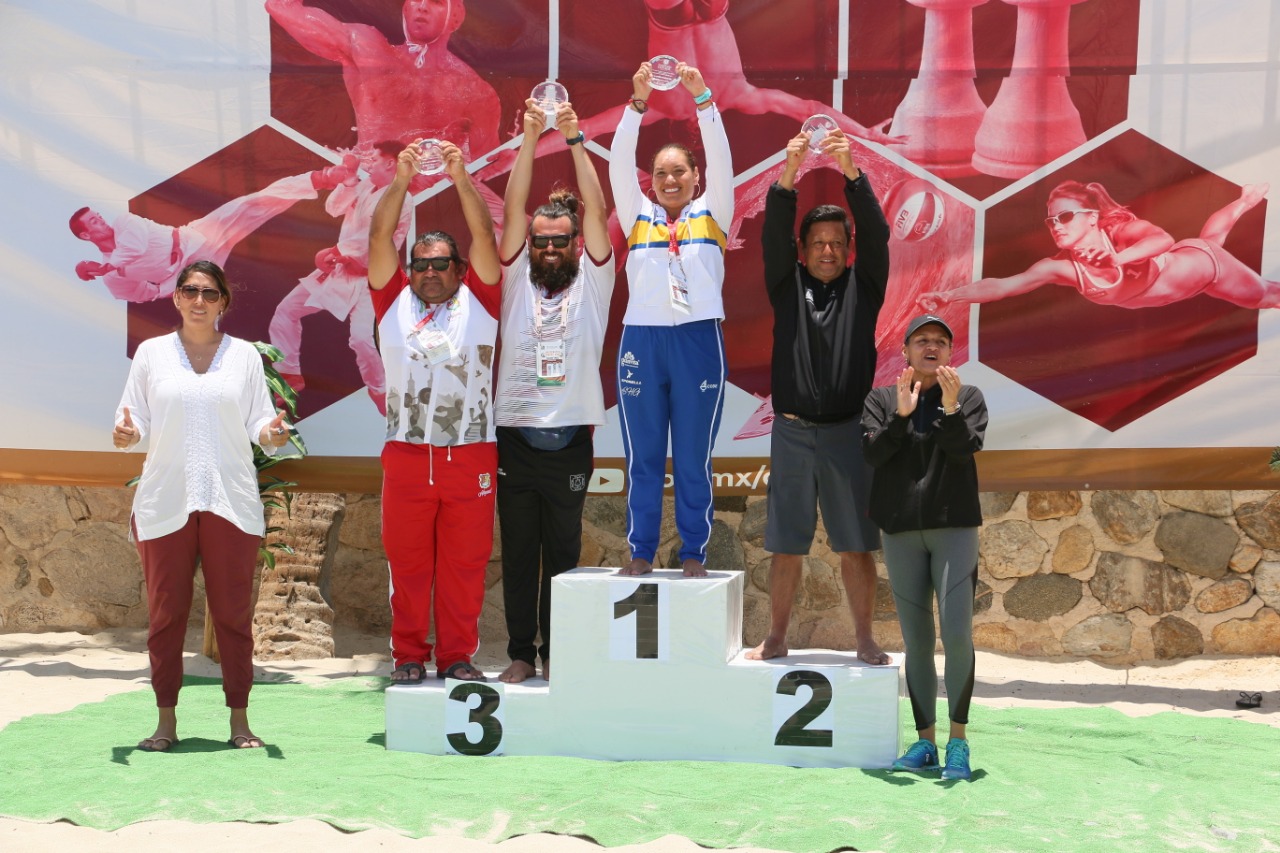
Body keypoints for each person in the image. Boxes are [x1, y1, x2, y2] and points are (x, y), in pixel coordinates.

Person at [112, 260, 293, 752]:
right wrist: (127, 434)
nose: (198, 301)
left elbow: (260, 422)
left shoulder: (244, 358)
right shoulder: (150, 354)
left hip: (229, 500)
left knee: (234, 615)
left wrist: (272, 433)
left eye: (209, 293)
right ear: (175, 298)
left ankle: (240, 720)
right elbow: (135, 421)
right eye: (190, 291)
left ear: (223, 303)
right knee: (166, 616)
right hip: (165, 500)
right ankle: (165, 722)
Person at [745, 127, 891, 666]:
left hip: (848, 434)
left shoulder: (865, 286)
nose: (828, 250)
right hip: (791, 432)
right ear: (803, 251)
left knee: (856, 545)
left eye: (836, 243)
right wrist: (789, 172)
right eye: (818, 243)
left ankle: (864, 639)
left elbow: (877, 234)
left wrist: (852, 172)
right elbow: (771, 233)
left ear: (846, 251)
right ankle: (777, 637)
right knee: (786, 544)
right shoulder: (786, 287)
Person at [367, 137, 501, 684]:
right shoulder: (391, 300)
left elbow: (486, 235)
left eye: (441, 263)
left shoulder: (483, 298)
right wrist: (401, 183)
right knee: (409, 567)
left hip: (471, 454)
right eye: (420, 263)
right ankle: (407, 657)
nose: (429, 272)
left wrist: (460, 178)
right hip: (406, 454)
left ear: (459, 268)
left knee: (465, 567)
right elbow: (379, 236)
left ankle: (457, 656)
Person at [493, 100, 614, 683]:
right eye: (540, 242)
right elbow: (513, 207)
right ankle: (520, 652)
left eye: (558, 241)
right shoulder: (516, 281)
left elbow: (597, 208)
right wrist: (528, 139)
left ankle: (558, 653)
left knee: (562, 554)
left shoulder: (594, 282)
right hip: (515, 436)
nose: (547, 249)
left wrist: (574, 138)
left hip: (570, 441)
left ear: (574, 242)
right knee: (518, 552)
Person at [608, 61, 732, 578]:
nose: (670, 179)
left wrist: (704, 100)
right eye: (660, 173)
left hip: (698, 341)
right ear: (650, 182)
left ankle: (692, 553)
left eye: (679, 171)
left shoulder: (713, 212)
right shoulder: (638, 216)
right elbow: (617, 163)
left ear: (695, 177)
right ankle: (640, 550)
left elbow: (723, 158)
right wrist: (637, 104)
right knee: (643, 456)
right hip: (642, 339)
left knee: (691, 456)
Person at [861, 314, 988, 781]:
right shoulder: (882, 399)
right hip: (900, 532)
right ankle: (925, 742)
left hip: (953, 528)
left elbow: (963, 450)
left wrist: (950, 410)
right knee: (916, 640)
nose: (930, 347)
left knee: (956, 635)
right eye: (921, 341)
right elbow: (872, 454)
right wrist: (901, 416)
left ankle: (958, 741)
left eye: (940, 341)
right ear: (906, 352)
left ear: (950, 353)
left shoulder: (967, 397)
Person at [917, 180, 1277, 311]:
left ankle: (1245, 202)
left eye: (1065, 217)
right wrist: (950, 296)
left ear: (1091, 218)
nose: (1056, 227)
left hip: (1205, 268)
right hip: (1189, 271)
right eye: (1051, 220)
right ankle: (1245, 200)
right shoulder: (1060, 268)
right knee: (1208, 239)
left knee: (1266, 296)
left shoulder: (1120, 232)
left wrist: (1116, 257)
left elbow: (1163, 240)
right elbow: (1003, 286)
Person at [71, 159, 356, 302]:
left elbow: (133, 248)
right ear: (85, 236)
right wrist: (163, 288)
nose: (102, 221)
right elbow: (138, 294)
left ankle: (325, 177)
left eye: (98, 215)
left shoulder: (124, 223)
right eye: (94, 222)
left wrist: (105, 267)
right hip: (188, 275)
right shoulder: (112, 278)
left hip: (193, 238)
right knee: (206, 312)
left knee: (251, 205)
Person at [267, 141, 412, 415]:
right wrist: (347, 180)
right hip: (339, 271)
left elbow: (379, 237)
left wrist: (338, 251)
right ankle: (289, 373)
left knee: (361, 339)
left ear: (391, 162)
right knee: (286, 311)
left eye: (374, 157)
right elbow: (333, 208)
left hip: (373, 278)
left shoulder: (402, 197)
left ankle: (380, 390)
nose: (368, 160)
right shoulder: (364, 185)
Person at [264, 0, 501, 164]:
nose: (422, 7)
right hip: (372, 182)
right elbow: (280, 6)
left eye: (436, 2)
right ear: (405, 9)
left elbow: (487, 167)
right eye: (416, 0)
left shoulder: (476, 91)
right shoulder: (367, 47)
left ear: (455, 19)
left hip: (434, 196)